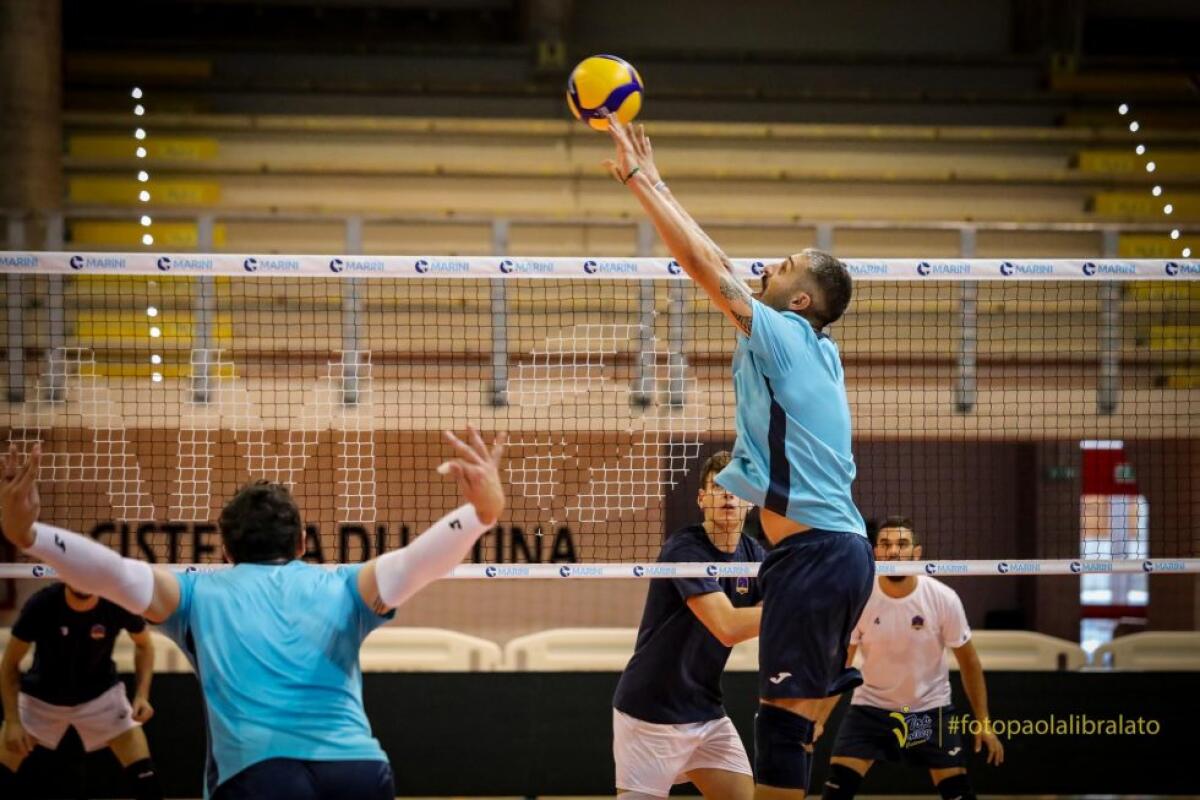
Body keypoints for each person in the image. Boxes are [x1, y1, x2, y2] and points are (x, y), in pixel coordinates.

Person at [0, 426, 507, 800]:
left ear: (224, 550)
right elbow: (417, 563)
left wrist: (31, 536)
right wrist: (479, 515)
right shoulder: (346, 585)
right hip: (357, 771)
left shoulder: (196, 595)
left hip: (259, 777)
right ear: (303, 542)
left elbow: (112, 573)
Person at [604, 115, 874, 799]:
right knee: (797, 731)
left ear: (802, 300)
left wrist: (643, 181)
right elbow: (721, 262)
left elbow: (704, 265)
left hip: (815, 556)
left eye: (781, 267)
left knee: (783, 730)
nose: (765, 267)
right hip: (836, 553)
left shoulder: (783, 334)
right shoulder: (821, 348)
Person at [612, 450, 766, 800]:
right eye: (718, 486)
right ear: (701, 499)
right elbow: (727, 625)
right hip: (650, 711)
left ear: (750, 501)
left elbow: (771, 607)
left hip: (706, 713)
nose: (728, 494)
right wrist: (793, 609)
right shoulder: (684, 551)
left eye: (737, 487)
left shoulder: (754, 554)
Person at [818, 517, 1004, 800]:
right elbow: (842, 665)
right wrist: (817, 721)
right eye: (886, 544)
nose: (893, 551)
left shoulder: (942, 598)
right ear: (875, 552)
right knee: (836, 791)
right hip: (871, 709)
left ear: (916, 553)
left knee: (957, 793)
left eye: (902, 544)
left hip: (928, 710)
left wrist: (984, 722)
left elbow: (969, 664)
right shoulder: (860, 597)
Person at [1, 582, 161, 798]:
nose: (83, 578)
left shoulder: (117, 600)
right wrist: (12, 720)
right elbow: (10, 663)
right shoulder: (42, 603)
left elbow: (145, 645)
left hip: (101, 698)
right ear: (66, 573)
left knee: (146, 779)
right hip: (41, 700)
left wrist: (142, 695)